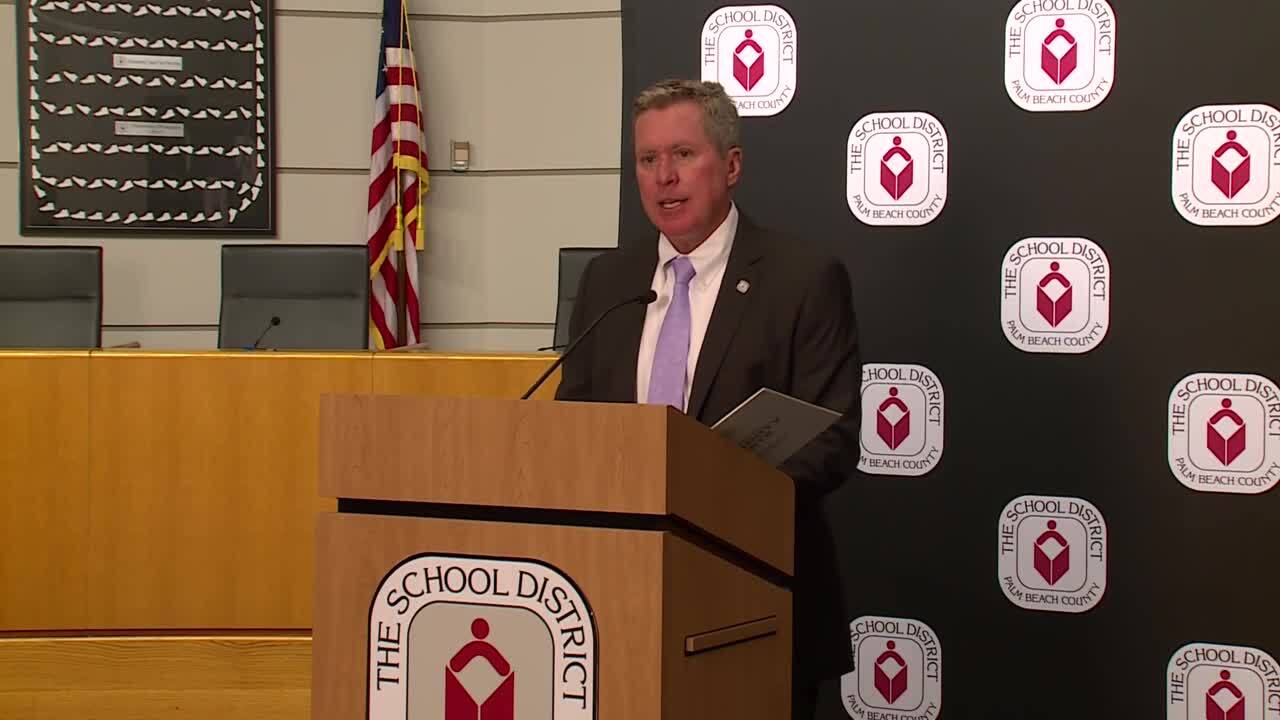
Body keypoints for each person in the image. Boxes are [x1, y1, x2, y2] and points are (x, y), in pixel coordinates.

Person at [554, 78, 862, 718]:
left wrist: (710, 486)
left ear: (732, 164)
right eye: (647, 160)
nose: (664, 177)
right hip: (615, 598)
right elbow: (574, 422)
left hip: (754, 598)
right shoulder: (608, 279)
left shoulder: (802, 278)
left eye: (683, 155)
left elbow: (830, 440)